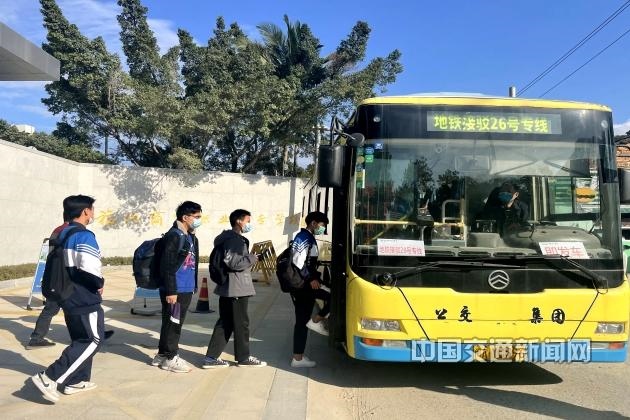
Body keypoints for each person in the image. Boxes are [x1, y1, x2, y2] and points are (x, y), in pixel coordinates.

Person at [31, 195, 105, 403]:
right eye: (92, 209)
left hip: (66, 293)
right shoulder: (84, 235)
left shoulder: (62, 232)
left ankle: (76, 380)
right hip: (83, 295)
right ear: (85, 211)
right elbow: (89, 269)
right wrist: (100, 283)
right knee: (93, 339)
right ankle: (49, 377)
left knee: (80, 338)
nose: (93, 213)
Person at [27, 210, 114, 349]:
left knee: (69, 309)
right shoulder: (71, 232)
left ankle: (94, 334)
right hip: (65, 279)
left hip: (56, 278)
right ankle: (37, 339)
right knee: (79, 307)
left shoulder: (58, 231)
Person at [203, 209, 266, 368]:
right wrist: (253, 257)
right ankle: (243, 358)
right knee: (241, 323)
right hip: (236, 287)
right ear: (238, 221)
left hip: (228, 287)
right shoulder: (235, 240)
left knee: (226, 322)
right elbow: (234, 263)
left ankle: (211, 358)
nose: (249, 224)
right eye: (247, 221)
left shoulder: (226, 238)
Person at [151, 201, 202, 373]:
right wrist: (171, 290)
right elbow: (167, 265)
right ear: (185, 217)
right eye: (196, 217)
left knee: (170, 322)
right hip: (176, 289)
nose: (199, 220)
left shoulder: (190, 236)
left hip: (185, 288)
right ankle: (171, 358)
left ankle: (162, 354)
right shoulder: (175, 235)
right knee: (174, 324)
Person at [289, 211, 330, 368]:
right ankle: (316, 321)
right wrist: (310, 278)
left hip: (304, 285)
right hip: (304, 285)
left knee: (301, 321)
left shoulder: (308, 237)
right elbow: (297, 261)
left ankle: (298, 358)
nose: (323, 228)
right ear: (313, 223)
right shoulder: (303, 237)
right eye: (322, 225)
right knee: (334, 298)